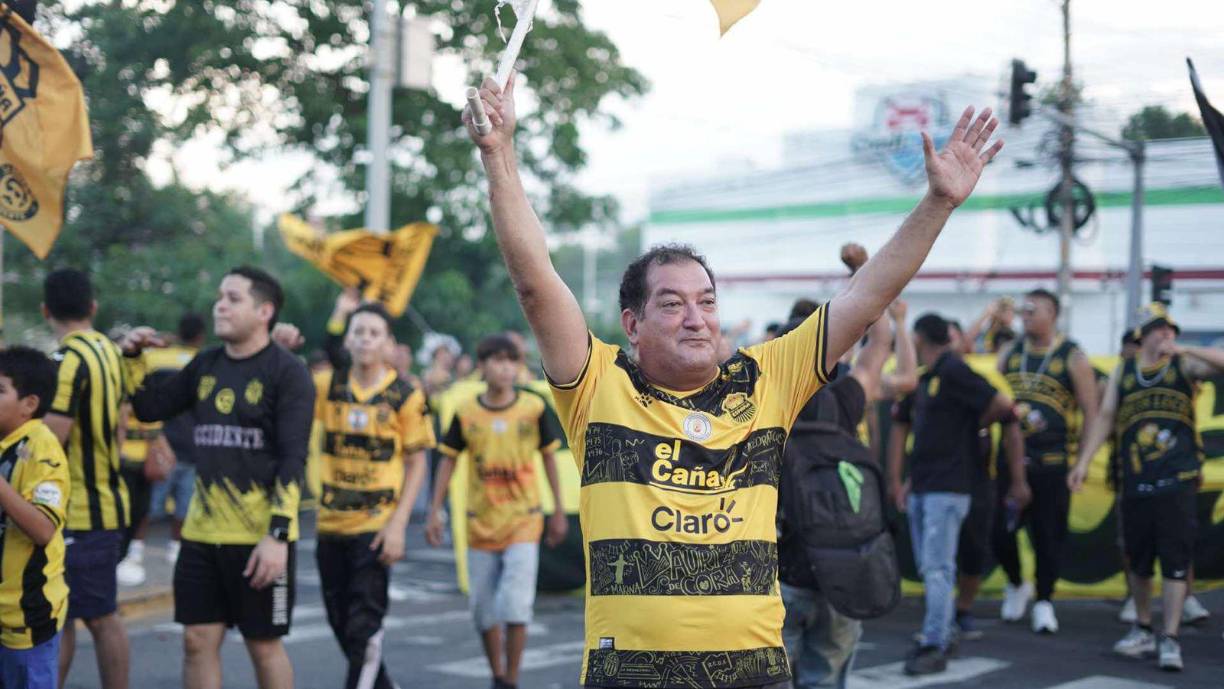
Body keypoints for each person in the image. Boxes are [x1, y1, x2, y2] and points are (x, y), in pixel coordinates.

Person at [464, 71, 1003, 688]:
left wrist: (937, 203)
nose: (696, 319)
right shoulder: (598, 384)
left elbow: (868, 293)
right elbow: (535, 281)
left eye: (707, 301)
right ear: (632, 324)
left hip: (755, 674)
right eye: (672, 304)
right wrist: (500, 155)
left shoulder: (767, 377)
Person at [122, 266, 314, 689]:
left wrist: (277, 536)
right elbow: (150, 407)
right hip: (201, 534)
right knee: (196, 641)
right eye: (219, 297)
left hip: (260, 539)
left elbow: (292, 457)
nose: (220, 305)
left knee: (263, 646)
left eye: (232, 298)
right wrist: (133, 357)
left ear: (264, 311)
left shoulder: (288, 373)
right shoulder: (205, 363)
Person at [1069, 302, 1224, 672]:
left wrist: (1185, 349)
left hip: (1178, 479)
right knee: (1137, 560)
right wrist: (1083, 462)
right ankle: (1142, 626)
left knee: (1175, 558)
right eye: (1157, 328)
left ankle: (1169, 636)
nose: (1165, 333)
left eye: (1169, 327)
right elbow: (1106, 418)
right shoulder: (1125, 371)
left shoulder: (1184, 365)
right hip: (1136, 480)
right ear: (1142, 335)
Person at [780, 296, 917, 689]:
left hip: (779, 572)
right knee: (827, 674)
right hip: (843, 568)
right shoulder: (843, 398)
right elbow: (880, 347)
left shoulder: (757, 400)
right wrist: (865, 278)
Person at [888, 313, 1029, 676]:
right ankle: (942, 630)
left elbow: (1001, 404)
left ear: (919, 340)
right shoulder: (932, 377)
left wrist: (977, 425)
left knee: (937, 568)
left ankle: (934, 640)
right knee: (931, 566)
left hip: (948, 486)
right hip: (927, 483)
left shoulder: (953, 370)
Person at [426, 334, 566, 689]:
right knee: (482, 610)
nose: (504, 368)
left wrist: (559, 511)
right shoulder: (467, 412)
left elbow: (549, 458)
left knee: (516, 606)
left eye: (511, 361)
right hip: (480, 524)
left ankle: (512, 679)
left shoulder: (533, 408)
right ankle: (497, 674)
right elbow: (447, 461)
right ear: (482, 365)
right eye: (496, 360)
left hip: (524, 520)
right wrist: (434, 511)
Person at [313, 300, 433, 689]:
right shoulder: (325, 386)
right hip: (330, 524)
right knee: (343, 627)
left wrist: (398, 525)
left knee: (363, 627)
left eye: (374, 333)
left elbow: (418, 462)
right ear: (348, 340)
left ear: (388, 343)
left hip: (375, 528)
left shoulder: (404, 394)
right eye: (358, 331)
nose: (365, 339)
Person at [40, 269, 131, 689]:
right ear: (92, 307)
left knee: (97, 615)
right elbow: (123, 424)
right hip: (109, 498)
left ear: (46, 311)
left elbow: (53, 436)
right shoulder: (110, 351)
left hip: (79, 509)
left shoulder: (67, 360)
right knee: (71, 614)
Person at [992, 289, 1099, 633]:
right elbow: (989, 387)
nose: (1025, 316)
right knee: (997, 531)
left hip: (1052, 462)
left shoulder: (1072, 355)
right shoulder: (1011, 351)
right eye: (1022, 311)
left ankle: (1044, 601)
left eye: (1032, 311)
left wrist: (1082, 461)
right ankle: (1015, 583)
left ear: (1052, 313)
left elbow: (1092, 412)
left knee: (1048, 536)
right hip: (1010, 460)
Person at [0, 347, 72, 689]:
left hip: (26, 620)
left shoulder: (42, 448)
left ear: (29, 403)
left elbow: (43, 529)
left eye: (0, 391)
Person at [144, 313, 208, 566]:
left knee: (148, 507)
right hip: (193, 447)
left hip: (162, 444)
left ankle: (135, 551)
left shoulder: (156, 359)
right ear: (201, 336)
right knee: (184, 507)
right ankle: (174, 550)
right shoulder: (203, 362)